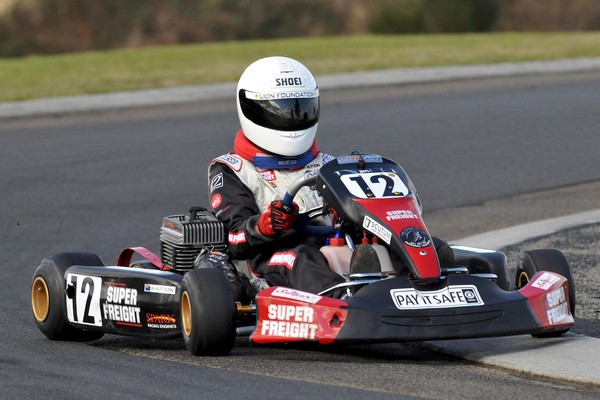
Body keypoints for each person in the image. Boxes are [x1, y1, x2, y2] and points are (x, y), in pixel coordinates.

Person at [207, 56, 346, 298]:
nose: (293, 118)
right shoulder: (234, 170)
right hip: (271, 265)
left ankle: (431, 288)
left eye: (300, 108)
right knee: (300, 258)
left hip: (337, 248)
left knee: (418, 243)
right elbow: (233, 239)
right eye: (281, 110)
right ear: (252, 108)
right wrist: (265, 226)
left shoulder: (328, 164)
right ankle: (344, 303)